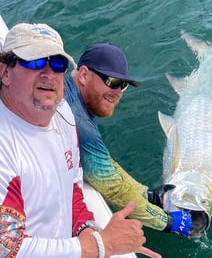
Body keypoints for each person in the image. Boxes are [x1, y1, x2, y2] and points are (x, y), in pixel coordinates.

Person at [0, 22, 161, 258]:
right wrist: (99, 245)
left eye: (57, 64)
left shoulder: (63, 113)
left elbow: (73, 186)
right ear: (4, 72)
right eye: (33, 61)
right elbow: (6, 249)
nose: (48, 74)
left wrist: (85, 228)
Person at [64, 43, 192, 236]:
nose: (118, 92)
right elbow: (111, 185)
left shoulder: (72, 98)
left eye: (123, 86)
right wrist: (169, 222)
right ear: (83, 75)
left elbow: (104, 163)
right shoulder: (77, 120)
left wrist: (146, 194)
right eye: (113, 82)